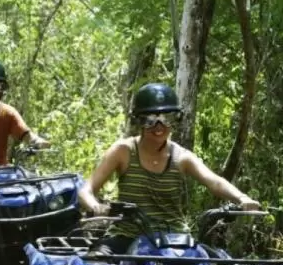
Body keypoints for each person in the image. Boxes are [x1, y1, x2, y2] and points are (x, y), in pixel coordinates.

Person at [77, 82, 261, 253]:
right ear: (138, 121)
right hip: (127, 236)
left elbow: (214, 181)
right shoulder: (123, 151)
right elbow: (86, 190)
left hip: (176, 240)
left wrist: (242, 198)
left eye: (166, 118)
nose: (159, 126)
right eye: (150, 119)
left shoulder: (182, 157)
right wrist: (96, 206)